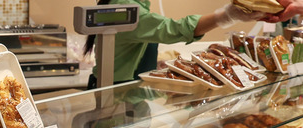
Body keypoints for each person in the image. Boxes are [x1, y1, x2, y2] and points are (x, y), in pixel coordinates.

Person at [84, 0, 265, 87]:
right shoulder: (127, 7)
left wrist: (152, 65)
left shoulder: (133, 5)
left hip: (126, 87)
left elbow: (126, 48)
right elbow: (172, 29)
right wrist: (227, 16)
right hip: (114, 91)